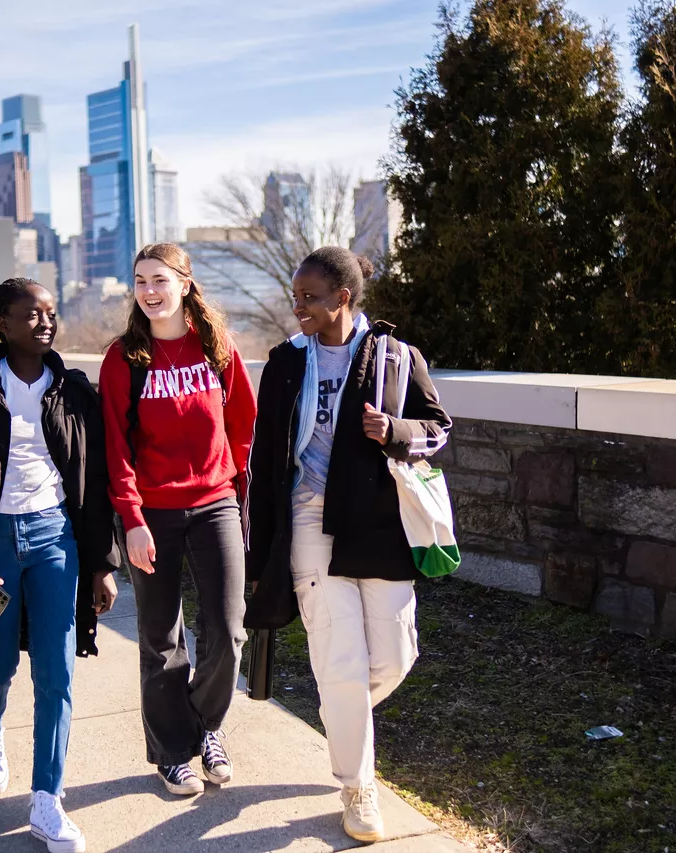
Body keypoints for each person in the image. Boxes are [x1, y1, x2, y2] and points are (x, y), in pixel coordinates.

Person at [243, 246, 452, 844]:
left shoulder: (395, 355)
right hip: (308, 518)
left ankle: (343, 716)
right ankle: (358, 787)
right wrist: (261, 549)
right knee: (339, 657)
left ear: (343, 297)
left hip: (378, 520)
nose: (298, 306)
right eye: (295, 296)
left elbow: (438, 426)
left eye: (309, 297)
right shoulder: (285, 362)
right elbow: (264, 456)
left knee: (393, 656)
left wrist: (398, 432)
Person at [0, 278, 119, 853]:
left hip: (55, 539)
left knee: (57, 671)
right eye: (31, 314)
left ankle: (47, 801)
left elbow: (93, 485)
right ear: (2, 322)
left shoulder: (72, 389)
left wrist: (101, 564)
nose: (45, 322)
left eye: (51, 313)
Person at [100, 243, 256, 796]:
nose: (149, 291)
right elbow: (116, 449)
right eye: (140, 280)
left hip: (215, 503)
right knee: (161, 638)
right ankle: (171, 753)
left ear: (185, 283)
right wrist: (133, 520)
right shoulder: (124, 359)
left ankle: (204, 725)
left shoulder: (215, 346)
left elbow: (242, 421)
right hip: (152, 514)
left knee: (229, 630)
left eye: (160, 279)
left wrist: (232, 484)